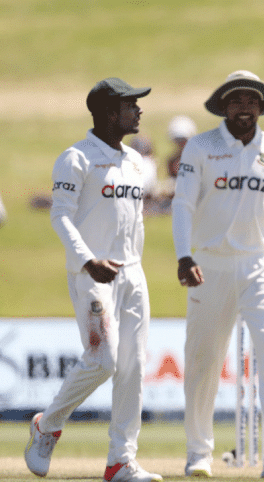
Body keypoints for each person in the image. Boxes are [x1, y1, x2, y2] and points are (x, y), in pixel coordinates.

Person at [171, 70, 264, 479]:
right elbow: (182, 205)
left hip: (261, 265)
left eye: (252, 101)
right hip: (209, 266)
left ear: (261, 106)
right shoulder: (201, 147)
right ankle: (199, 455)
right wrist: (184, 256)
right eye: (236, 101)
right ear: (223, 106)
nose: (245, 107)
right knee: (202, 362)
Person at [25, 78, 162, 482]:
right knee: (104, 360)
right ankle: (47, 425)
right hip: (91, 273)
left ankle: (121, 460)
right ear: (108, 113)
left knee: (133, 366)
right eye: (130, 105)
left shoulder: (136, 162)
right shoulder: (76, 158)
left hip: (132, 274)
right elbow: (60, 215)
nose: (139, 111)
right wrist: (87, 261)